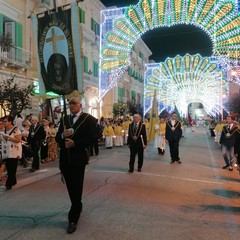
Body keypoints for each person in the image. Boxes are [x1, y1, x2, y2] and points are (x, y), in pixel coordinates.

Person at [56, 96, 96, 234]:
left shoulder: (89, 119)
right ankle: (77, 205)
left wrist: (76, 143)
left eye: (74, 103)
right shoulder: (64, 120)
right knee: (70, 187)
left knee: (76, 186)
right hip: (65, 159)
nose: (71, 105)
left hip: (79, 158)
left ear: (80, 105)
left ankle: (73, 218)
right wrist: (62, 135)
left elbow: (93, 137)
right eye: (69, 103)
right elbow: (57, 138)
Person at [1, 115, 22, 190]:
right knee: (9, 167)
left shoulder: (16, 129)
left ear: (10, 121)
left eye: (5, 121)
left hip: (14, 152)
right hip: (6, 151)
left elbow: (19, 140)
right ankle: (13, 180)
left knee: (12, 167)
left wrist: (9, 138)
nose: (4, 123)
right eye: (3, 121)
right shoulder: (4, 130)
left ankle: (9, 183)